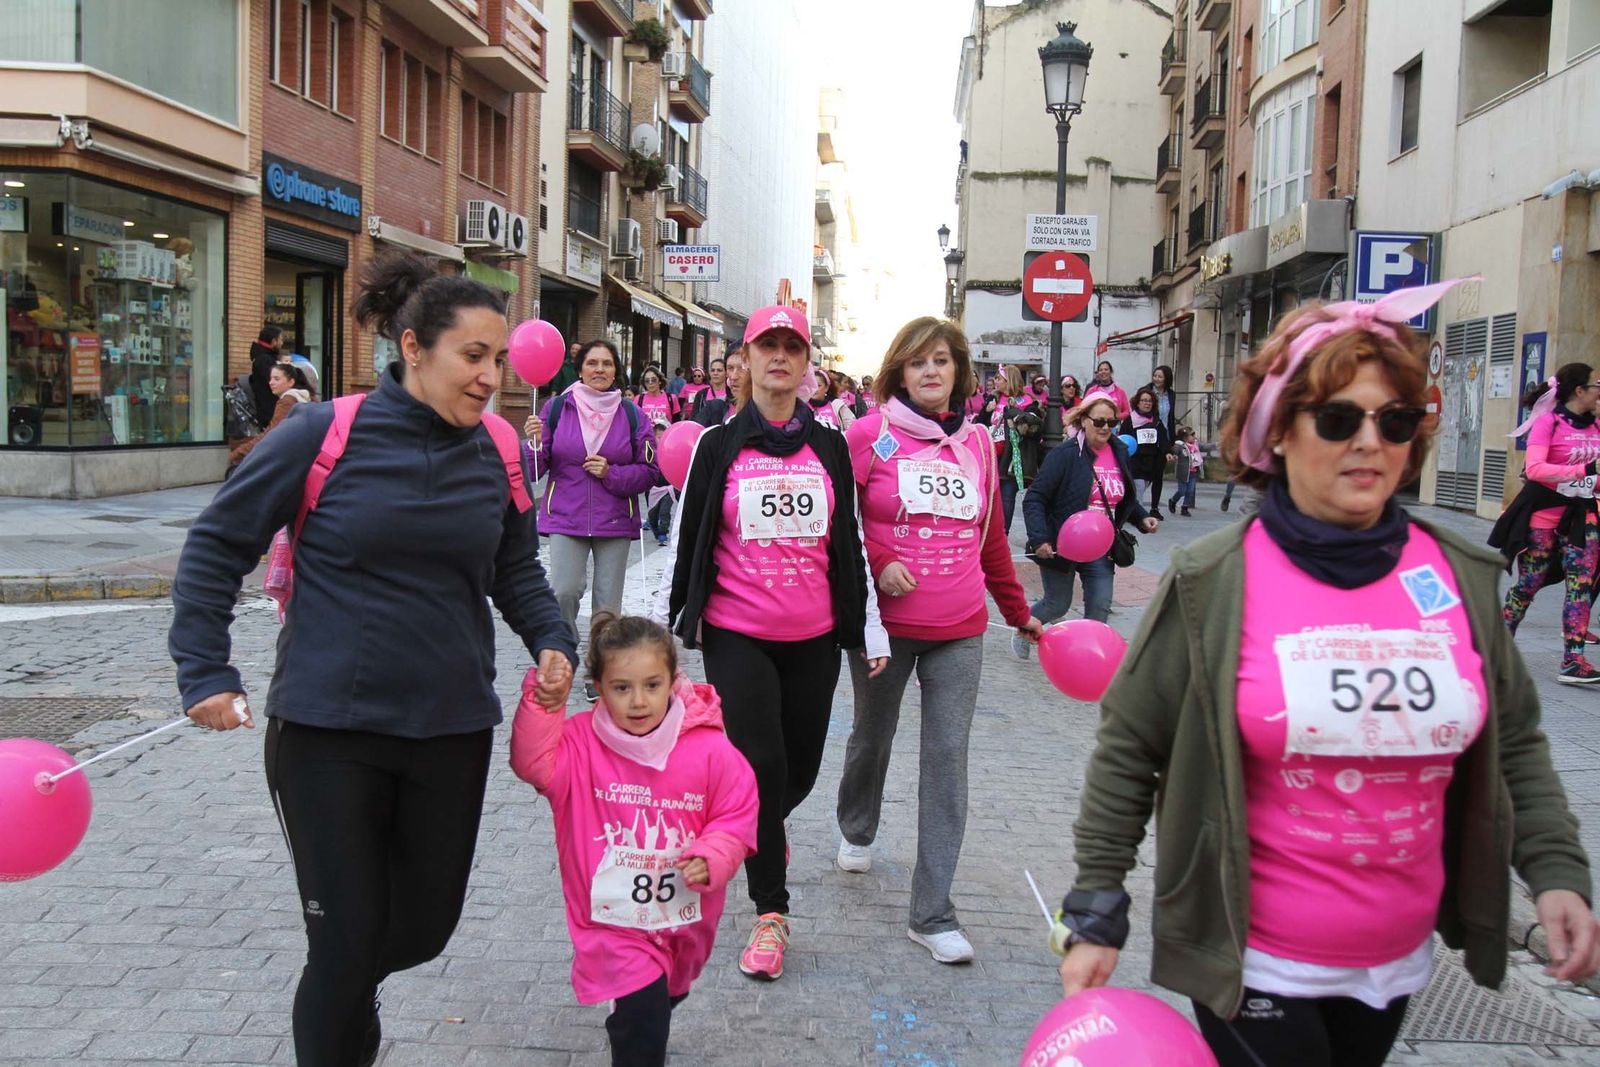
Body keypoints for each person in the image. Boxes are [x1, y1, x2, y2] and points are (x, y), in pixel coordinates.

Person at [1055, 280, 1600, 1067]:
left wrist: (1556, 871)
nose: (1370, 441)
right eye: (1339, 419)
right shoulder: (1215, 578)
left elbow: (1514, 740)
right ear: (1279, 430)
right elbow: (1130, 744)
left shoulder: (1459, 574)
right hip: (1255, 960)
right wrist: (1098, 904)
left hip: (1395, 961)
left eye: (1396, 420)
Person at [170, 252, 578, 1067]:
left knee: (422, 928)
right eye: (473, 355)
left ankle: (352, 978)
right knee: (343, 944)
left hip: (450, 729)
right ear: (413, 348)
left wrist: (551, 637)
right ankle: (344, 989)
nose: (491, 376)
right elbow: (217, 543)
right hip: (329, 731)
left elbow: (514, 567)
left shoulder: (498, 449)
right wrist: (206, 670)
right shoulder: (323, 433)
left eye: (499, 358)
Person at [653, 305, 889, 983]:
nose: (779, 356)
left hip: (814, 635)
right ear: (746, 359)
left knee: (799, 770)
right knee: (760, 762)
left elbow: (850, 539)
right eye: (767, 345)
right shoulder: (717, 444)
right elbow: (688, 536)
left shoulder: (830, 446)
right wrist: (663, 631)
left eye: (792, 346)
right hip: (737, 634)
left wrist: (870, 625)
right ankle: (771, 912)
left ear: (807, 362)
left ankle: (753, 826)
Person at [834, 318, 1041, 964]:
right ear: (899, 371)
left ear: (959, 371)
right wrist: (880, 559)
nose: (931, 371)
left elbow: (993, 538)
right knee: (873, 734)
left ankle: (932, 912)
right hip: (885, 627)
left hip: (960, 628)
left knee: (948, 758)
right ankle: (857, 826)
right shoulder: (868, 435)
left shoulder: (978, 444)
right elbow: (839, 523)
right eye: (918, 361)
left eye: (942, 361)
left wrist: (1019, 613)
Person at [510, 613, 758, 1067]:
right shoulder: (580, 743)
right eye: (621, 688)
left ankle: (641, 1012)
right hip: (613, 923)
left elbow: (736, 813)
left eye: (652, 685)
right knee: (643, 1020)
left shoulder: (710, 750)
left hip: (684, 920)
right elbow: (535, 764)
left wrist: (713, 854)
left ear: (673, 681)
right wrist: (544, 705)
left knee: (663, 997)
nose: (638, 701)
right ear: (599, 688)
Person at [527, 340, 661, 699]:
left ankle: (598, 670)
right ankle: (565, 654)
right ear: (580, 368)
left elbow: (650, 471)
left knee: (606, 605)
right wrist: (534, 444)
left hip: (614, 518)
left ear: (616, 370)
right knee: (564, 591)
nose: (599, 369)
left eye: (607, 363)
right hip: (565, 516)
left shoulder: (632, 415)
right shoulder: (557, 408)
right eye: (592, 363)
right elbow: (535, 469)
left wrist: (610, 473)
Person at [1014, 396, 1157, 658]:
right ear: (1083, 420)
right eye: (1099, 422)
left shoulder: (1119, 452)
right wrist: (1040, 538)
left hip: (1101, 545)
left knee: (1100, 605)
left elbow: (1121, 495)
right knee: (1058, 604)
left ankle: (1088, 657)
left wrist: (1141, 518)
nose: (1106, 428)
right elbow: (1035, 498)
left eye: (1112, 422)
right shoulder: (1064, 454)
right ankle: (1025, 626)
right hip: (1061, 543)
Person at [1494, 362, 1600, 682]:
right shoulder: (1549, 423)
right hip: (1543, 517)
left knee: (1581, 585)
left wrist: (1593, 481)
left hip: (1581, 516)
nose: (1599, 392)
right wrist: (1583, 471)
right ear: (1579, 390)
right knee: (1529, 585)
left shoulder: (1596, 426)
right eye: (1595, 386)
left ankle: (1573, 660)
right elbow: (1535, 469)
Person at [228, 362, 312, 471]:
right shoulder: (300, 398)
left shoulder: (287, 401)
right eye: (271, 379)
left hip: (288, 460)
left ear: (291, 382)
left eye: (277, 379)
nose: (271, 382)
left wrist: (239, 453)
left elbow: (273, 433)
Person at [981, 370, 1027, 533]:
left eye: (999, 378)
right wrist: (987, 411)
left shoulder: (1024, 400)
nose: (995, 381)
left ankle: (1003, 532)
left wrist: (1018, 420)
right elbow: (981, 423)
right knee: (988, 493)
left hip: (1011, 454)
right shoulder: (993, 398)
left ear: (1009, 380)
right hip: (991, 452)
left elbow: (1032, 427)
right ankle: (987, 530)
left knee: (1007, 494)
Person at [1121, 386, 1173, 523]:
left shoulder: (1156, 421)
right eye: (1144, 400)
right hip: (1135, 460)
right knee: (1138, 487)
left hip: (1151, 462)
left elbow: (1163, 438)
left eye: (1149, 401)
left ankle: (1130, 510)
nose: (1147, 403)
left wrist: (1168, 452)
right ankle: (1140, 517)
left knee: (1142, 487)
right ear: (1137, 403)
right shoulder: (1130, 420)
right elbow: (1123, 438)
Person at [1146, 365, 1177, 513]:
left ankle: (1154, 507)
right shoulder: (1146, 391)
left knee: (1158, 475)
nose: (1157, 379)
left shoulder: (1171, 394)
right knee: (1145, 473)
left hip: (1165, 439)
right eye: (1155, 376)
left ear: (1166, 379)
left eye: (1160, 376)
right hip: (1149, 436)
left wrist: (1172, 440)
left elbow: (1170, 417)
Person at [692, 347, 747, 427]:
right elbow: (694, 426)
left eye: (742, 368)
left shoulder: (763, 409)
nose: (734, 376)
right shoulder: (711, 402)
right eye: (730, 368)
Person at [248, 325, 283, 431]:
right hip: (269, 411)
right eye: (280, 339)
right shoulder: (264, 360)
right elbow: (274, 381)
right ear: (274, 341)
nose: (282, 343)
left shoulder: (264, 358)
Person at [1167, 425, 1204, 516]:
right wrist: (1173, 455)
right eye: (1192, 435)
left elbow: (1204, 446)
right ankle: (1173, 500)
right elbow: (1174, 450)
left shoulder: (1195, 445)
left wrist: (1215, 445)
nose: (1194, 437)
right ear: (1185, 437)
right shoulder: (1180, 446)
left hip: (1193, 472)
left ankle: (1185, 507)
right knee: (1182, 491)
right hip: (1183, 473)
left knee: (1190, 491)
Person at [808, 366, 857, 430]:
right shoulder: (802, 406)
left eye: (818, 385)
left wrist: (841, 435)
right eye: (811, 385)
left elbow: (852, 427)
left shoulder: (836, 404)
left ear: (826, 387)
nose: (814, 389)